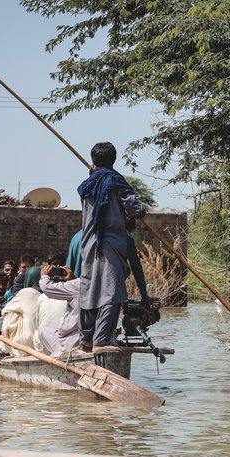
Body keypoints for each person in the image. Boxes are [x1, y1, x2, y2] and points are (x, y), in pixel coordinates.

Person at [77, 141, 147, 352]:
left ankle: (86, 339)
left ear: (93, 161)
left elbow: (98, 183)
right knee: (112, 291)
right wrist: (143, 210)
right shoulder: (116, 181)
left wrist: (94, 172)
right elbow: (135, 208)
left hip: (89, 244)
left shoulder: (88, 184)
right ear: (114, 160)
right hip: (110, 243)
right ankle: (103, 339)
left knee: (89, 287)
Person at [37, 262, 84, 357]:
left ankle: (52, 358)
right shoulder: (108, 286)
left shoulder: (78, 285)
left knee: (41, 331)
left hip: (72, 343)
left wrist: (45, 276)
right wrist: (73, 279)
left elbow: (46, 287)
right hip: (96, 340)